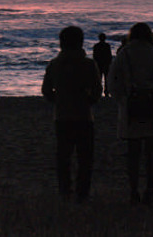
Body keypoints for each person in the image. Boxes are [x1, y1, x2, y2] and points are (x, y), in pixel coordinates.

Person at [107, 23, 153, 205]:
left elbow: (112, 81)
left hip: (131, 106)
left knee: (133, 152)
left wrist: (122, 99)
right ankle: (150, 190)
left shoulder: (124, 54)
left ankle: (133, 191)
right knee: (152, 152)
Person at [42, 26, 102, 202]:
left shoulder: (55, 64)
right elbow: (98, 91)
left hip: (62, 115)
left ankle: (65, 190)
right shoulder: (89, 64)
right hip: (84, 116)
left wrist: (58, 99)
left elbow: (46, 90)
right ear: (81, 42)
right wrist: (88, 100)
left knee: (63, 156)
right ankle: (82, 192)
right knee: (85, 157)